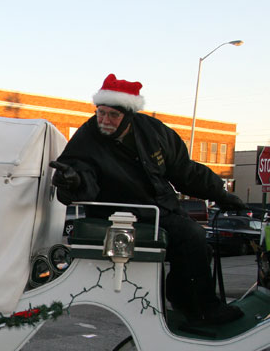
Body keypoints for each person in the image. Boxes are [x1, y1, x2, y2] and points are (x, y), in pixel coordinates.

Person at [50, 73, 245, 325]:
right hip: (122, 215)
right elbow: (77, 170)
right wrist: (72, 179)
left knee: (199, 247)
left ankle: (185, 299)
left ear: (128, 115)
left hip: (160, 209)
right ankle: (204, 310)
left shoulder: (154, 132)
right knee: (191, 236)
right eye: (101, 113)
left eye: (113, 115)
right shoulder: (88, 137)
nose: (104, 120)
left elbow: (184, 171)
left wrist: (222, 194)